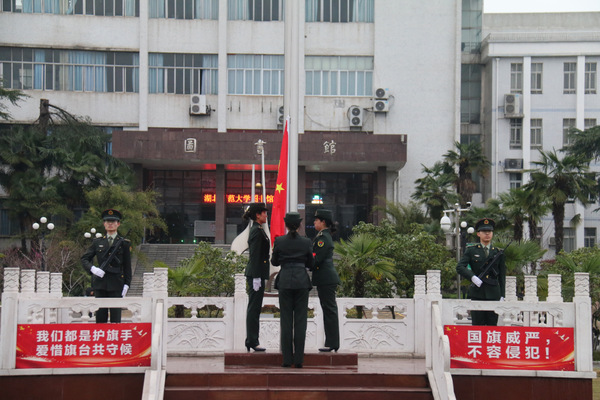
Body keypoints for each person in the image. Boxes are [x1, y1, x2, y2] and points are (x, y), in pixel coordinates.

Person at [271, 212, 314, 368]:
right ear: (300, 225)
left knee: (286, 320)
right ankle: (299, 359)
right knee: (301, 321)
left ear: (286, 225)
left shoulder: (279, 241)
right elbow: (311, 263)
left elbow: (274, 262)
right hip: (301, 281)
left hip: (285, 281)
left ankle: (287, 359)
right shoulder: (306, 242)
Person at [81, 209, 132, 323]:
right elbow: (84, 259)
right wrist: (93, 269)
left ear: (118, 224)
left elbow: (127, 266)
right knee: (100, 318)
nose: (110, 224)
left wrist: (127, 285)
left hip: (117, 283)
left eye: (113, 222)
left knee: (115, 320)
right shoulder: (97, 242)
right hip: (100, 284)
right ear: (104, 224)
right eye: (107, 221)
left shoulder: (124, 243)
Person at [456, 218, 506, 326]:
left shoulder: (498, 252)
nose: (487, 234)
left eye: (490, 231)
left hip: (493, 294)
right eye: (484, 231)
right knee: (477, 326)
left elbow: (502, 275)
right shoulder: (471, 250)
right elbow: (460, 267)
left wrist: (502, 295)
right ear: (478, 234)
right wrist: (473, 277)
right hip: (477, 293)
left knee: (492, 326)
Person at [312, 209, 341, 352]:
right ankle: (331, 342)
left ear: (323, 222)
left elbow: (317, 259)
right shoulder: (323, 236)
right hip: (325, 278)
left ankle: (332, 343)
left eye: (316, 220)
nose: (314, 222)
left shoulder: (323, 238)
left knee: (329, 311)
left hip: (326, 278)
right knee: (328, 310)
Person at [243, 202, 270, 352]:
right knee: (254, 308)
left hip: (257, 273)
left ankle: (252, 340)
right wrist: (256, 277)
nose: (266, 215)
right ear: (257, 215)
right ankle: (252, 341)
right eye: (264, 213)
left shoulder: (259, 229)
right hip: (255, 274)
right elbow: (255, 256)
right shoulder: (256, 231)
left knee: (255, 308)